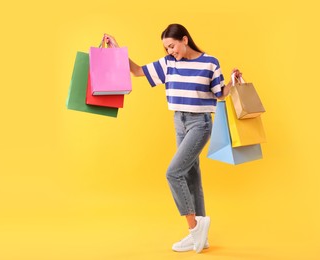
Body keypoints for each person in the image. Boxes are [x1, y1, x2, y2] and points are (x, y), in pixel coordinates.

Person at [103, 24, 241, 253]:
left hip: (200, 123)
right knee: (191, 177)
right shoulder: (168, 64)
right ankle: (201, 238)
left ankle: (194, 227)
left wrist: (233, 82)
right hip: (179, 122)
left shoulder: (210, 62)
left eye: (172, 46)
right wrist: (117, 50)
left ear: (184, 40)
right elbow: (137, 71)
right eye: (166, 48)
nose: (170, 51)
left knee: (173, 173)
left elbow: (220, 94)